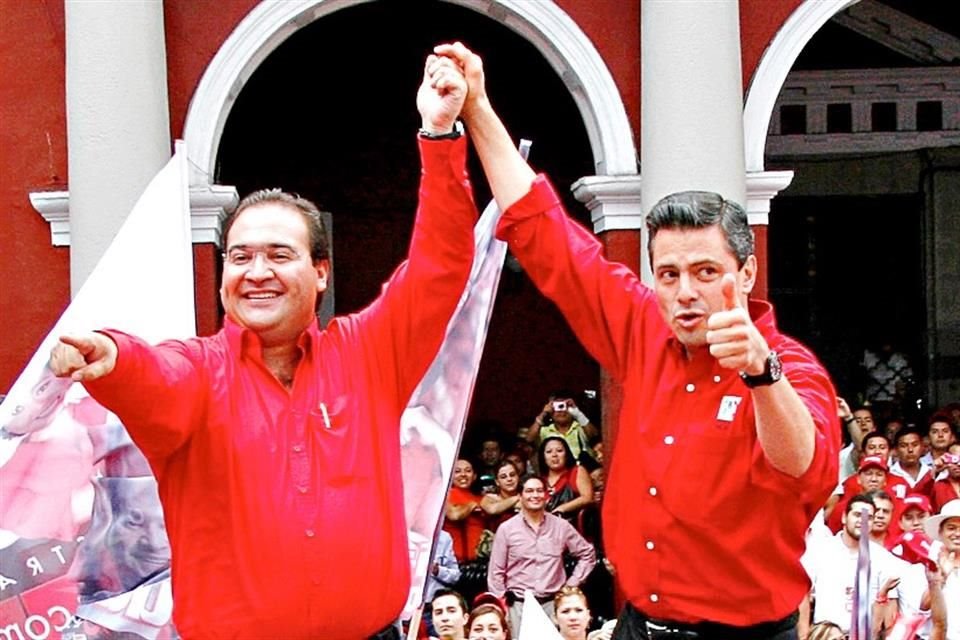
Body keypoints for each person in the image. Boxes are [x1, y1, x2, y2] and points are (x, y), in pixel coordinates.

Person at [47, 52, 478, 639]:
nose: (256, 272)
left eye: (279, 255)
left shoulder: (370, 354)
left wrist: (439, 133)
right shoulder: (198, 372)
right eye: (241, 256)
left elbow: (441, 268)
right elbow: (153, 373)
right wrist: (112, 353)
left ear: (321, 272)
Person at [436, 41, 840, 637]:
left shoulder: (791, 367)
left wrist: (761, 374)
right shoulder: (643, 327)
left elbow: (805, 466)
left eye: (706, 272)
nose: (685, 293)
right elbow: (547, 236)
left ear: (746, 274)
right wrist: (477, 109)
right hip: (639, 622)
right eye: (669, 274)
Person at [487, 475, 596, 635]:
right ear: (520, 495)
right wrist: (503, 607)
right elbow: (496, 572)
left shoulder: (561, 526)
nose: (535, 495)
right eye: (529, 491)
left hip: (552, 604)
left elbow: (587, 554)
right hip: (519, 605)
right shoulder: (506, 529)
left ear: (546, 495)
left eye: (539, 491)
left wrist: (571, 585)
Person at [800, 495, 901, 638]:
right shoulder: (820, 550)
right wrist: (804, 635)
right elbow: (804, 595)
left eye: (869, 517)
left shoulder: (883, 558)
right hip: (827, 635)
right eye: (857, 515)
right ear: (844, 517)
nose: (863, 521)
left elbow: (891, 608)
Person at [923, 499, 959, 640]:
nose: (957, 533)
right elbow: (923, 607)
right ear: (941, 532)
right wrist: (940, 579)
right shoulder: (929, 564)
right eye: (951, 528)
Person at [525, 391, 597, 462]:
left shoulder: (581, 427)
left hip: (581, 471)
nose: (561, 411)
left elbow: (595, 436)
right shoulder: (544, 431)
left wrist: (577, 413)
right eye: (557, 407)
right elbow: (529, 439)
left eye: (565, 406)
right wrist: (544, 413)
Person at [538, 436, 593, 525]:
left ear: (567, 454)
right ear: (543, 457)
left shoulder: (576, 471)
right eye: (549, 452)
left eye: (559, 451)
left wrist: (561, 509)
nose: (554, 455)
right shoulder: (539, 480)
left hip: (571, 527)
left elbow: (587, 498)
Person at [445, 458, 487, 563]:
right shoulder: (445, 495)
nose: (463, 474)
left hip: (480, 562)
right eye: (457, 471)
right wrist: (471, 506)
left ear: (474, 476)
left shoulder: (481, 498)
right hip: (454, 563)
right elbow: (454, 515)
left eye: (468, 471)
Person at [891, 427, 936, 495]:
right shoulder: (890, 474)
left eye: (915, 445)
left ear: (922, 447)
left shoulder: (932, 473)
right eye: (904, 446)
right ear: (896, 450)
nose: (910, 450)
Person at [479, 460, 521, 532]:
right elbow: (492, 509)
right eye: (503, 477)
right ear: (497, 482)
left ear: (518, 477)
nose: (509, 479)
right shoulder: (489, 498)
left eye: (512, 475)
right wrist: (516, 498)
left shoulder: (527, 493)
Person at [931, 442, 960, 512]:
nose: (958, 464)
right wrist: (934, 471)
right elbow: (922, 496)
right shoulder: (939, 486)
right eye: (954, 459)